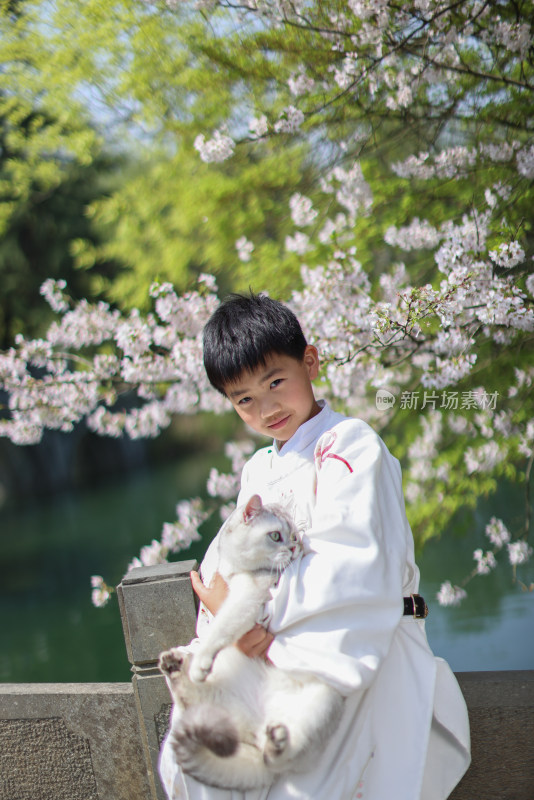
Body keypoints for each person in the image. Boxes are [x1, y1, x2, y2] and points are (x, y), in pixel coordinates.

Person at [159, 292, 471, 800]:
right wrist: (228, 623)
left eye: (275, 382)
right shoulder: (259, 469)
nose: (266, 408)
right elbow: (237, 565)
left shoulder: (350, 445)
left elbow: (350, 570)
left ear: (310, 361)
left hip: (353, 646)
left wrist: (248, 623)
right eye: (244, 400)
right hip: (273, 650)